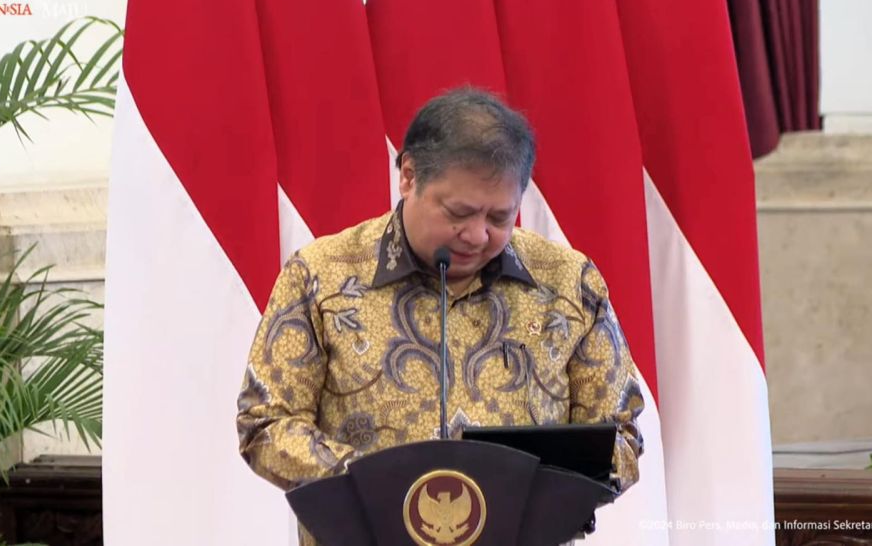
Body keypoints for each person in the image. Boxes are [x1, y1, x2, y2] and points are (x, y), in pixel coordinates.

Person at [236, 88, 643, 545]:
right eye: (459, 212)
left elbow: (621, 439)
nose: (477, 235)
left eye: (499, 217)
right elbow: (265, 423)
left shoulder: (568, 283)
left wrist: (530, 491)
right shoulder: (321, 276)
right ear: (409, 176)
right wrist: (380, 484)